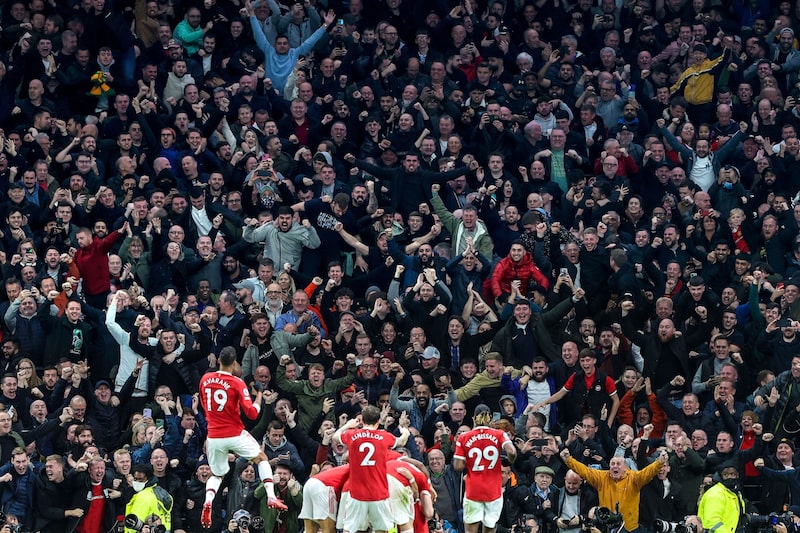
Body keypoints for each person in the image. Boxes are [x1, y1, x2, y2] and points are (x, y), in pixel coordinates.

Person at [198, 346, 287, 528]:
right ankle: (271, 496)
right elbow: (253, 413)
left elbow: (204, 404)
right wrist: (259, 394)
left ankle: (208, 501)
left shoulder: (205, 379)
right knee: (261, 458)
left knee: (217, 474)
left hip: (214, 435)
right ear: (235, 363)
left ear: (219, 361)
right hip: (234, 432)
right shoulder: (237, 383)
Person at [332, 405, 410, 533]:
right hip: (379, 492)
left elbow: (336, 437)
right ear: (378, 421)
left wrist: (348, 425)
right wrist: (405, 432)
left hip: (357, 493)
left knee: (350, 529)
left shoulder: (353, 434)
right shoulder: (385, 436)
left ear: (362, 420)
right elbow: (401, 442)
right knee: (382, 529)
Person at [559, 445, 669, 533]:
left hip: (630, 529)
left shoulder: (634, 478)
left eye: (618, 464)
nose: (615, 466)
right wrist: (569, 460)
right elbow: (584, 470)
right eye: (612, 464)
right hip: (607, 529)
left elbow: (648, 472)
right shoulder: (601, 478)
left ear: (625, 468)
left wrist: (659, 463)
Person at [453, 403, 517, 533]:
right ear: (491, 418)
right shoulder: (499, 434)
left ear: (473, 418)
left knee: (470, 530)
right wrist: (510, 461)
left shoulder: (464, 437)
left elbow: (458, 466)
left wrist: (469, 461)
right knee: (489, 528)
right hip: (493, 490)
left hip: (473, 490)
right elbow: (512, 452)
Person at [697, 462, 745, 533]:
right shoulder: (715, 494)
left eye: (732, 474)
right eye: (726, 475)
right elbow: (712, 522)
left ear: (737, 475)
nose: (729, 477)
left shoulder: (735, 493)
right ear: (720, 476)